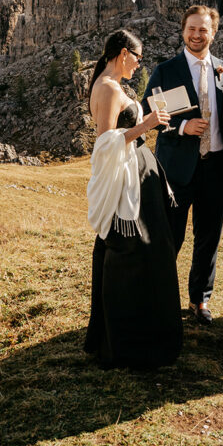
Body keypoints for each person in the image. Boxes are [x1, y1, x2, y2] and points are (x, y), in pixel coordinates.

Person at [85, 28, 183, 369]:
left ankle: (144, 335)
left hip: (141, 175)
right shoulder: (109, 88)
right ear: (123, 52)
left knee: (154, 250)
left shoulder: (112, 85)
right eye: (137, 58)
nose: (139, 65)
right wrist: (147, 125)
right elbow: (104, 143)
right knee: (141, 253)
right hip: (129, 181)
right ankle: (133, 343)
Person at [142, 5, 223, 325]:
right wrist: (182, 127)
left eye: (203, 30)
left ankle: (200, 300)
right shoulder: (166, 70)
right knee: (171, 236)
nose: (197, 35)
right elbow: (149, 115)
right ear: (183, 30)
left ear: (214, 33)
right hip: (177, 170)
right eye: (191, 29)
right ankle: (158, 297)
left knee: (208, 238)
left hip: (216, 168)